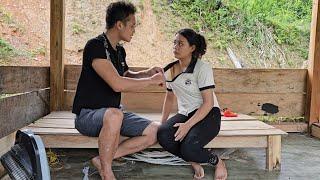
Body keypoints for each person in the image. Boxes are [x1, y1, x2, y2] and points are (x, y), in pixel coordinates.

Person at [72, 1, 165, 179]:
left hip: (114, 114)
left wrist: (146, 73)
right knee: (115, 115)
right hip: (88, 116)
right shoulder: (95, 46)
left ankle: (103, 159)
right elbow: (117, 83)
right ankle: (107, 172)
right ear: (119, 24)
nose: (134, 30)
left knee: (155, 131)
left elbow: (125, 75)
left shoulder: (119, 51)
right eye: (132, 25)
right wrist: (151, 81)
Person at [157, 28, 227, 180]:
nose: (175, 47)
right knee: (162, 135)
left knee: (189, 147)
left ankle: (216, 161)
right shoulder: (169, 70)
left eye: (181, 44)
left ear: (192, 48)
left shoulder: (202, 68)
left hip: (209, 114)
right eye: (174, 43)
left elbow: (208, 103)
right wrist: (163, 123)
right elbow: (169, 97)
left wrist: (187, 125)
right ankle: (193, 161)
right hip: (185, 113)